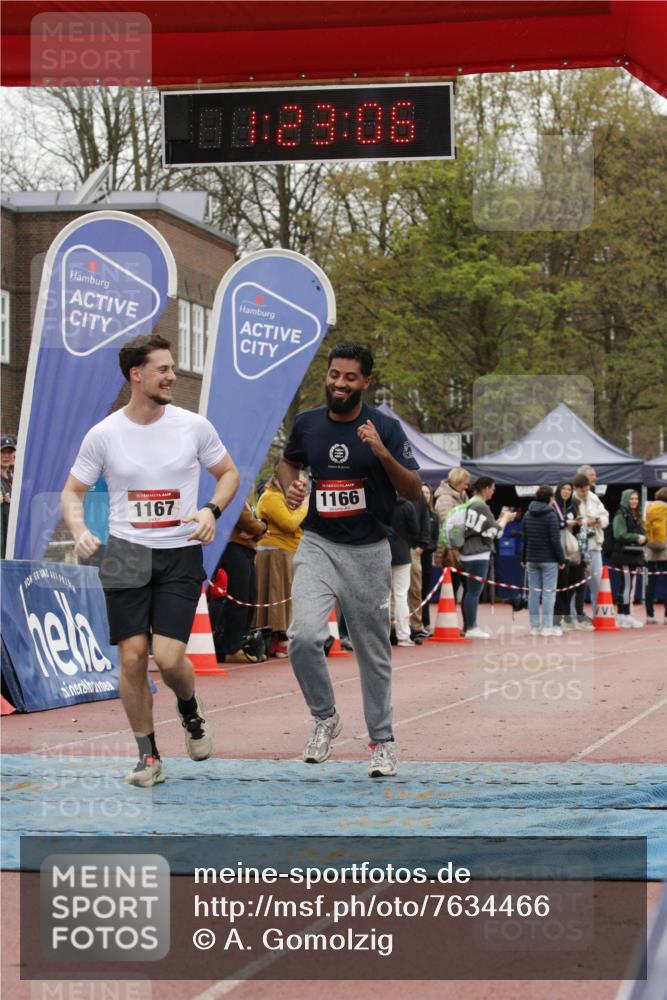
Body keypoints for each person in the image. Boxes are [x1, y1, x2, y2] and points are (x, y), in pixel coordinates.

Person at [61, 334, 239, 787]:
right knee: (133, 658)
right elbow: (72, 491)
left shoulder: (193, 426)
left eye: (173, 368)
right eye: (163, 369)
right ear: (135, 375)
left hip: (179, 551)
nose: (172, 376)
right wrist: (81, 531)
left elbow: (228, 474)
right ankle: (149, 757)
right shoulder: (104, 434)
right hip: (125, 553)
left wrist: (210, 509)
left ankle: (189, 708)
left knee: (169, 655)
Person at [277, 342, 421, 778]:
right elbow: (287, 464)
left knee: (372, 652)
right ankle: (325, 718)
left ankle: (383, 741)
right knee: (302, 636)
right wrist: (291, 487)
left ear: (366, 382)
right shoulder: (307, 424)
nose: (339, 384)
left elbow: (414, 490)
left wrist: (381, 451)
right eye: (334, 375)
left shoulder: (385, 427)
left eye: (350, 378)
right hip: (319, 544)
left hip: (370, 552)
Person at [253, 470, 308, 657]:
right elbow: (290, 523)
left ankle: (279, 637)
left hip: (289, 550)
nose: (300, 489)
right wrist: (305, 506)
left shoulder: (286, 498)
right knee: (277, 594)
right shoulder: (271, 497)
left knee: (285, 594)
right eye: (296, 484)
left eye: (303, 486)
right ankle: (276, 639)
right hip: (275, 552)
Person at [209, 499, 268, 663]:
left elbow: (252, 529)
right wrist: (263, 525)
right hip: (232, 549)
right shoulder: (234, 494)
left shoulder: (246, 499)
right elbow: (250, 524)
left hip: (246, 549)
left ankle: (238, 643)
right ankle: (228, 648)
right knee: (237, 600)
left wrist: (257, 530)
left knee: (249, 598)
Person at [459, 477, 516, 638]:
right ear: (485, 489)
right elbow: (496, 533)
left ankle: (468, 626)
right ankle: (471, 627)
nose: (493, 492)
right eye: (492, 489)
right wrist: (505, 519)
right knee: (474, 592)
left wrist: (499, 520)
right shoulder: (481, 506)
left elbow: (485, 529)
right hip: (478, 553)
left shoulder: (470, 503)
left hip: (467, 552)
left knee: (469, 592)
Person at [522, 485, 566, 636]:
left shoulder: (527, 514)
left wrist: (523, 557)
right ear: (550, 498)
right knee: (548, 593)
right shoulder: (551, 515)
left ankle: (534, 626)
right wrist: (561, 559)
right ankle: (547, 627)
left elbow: (525, 539)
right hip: (549, 560)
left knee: (533, 593)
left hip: (532, 559)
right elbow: (555, 540)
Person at [572, 472, 609, 615]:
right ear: (576, 488)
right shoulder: (571, 500)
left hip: (595, 545)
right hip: (577, 547)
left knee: (597, 583)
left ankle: (598, 614)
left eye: (587, 489)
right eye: (582, 490)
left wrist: (599, 521)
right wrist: (587, 522)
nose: (585, 493)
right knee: (577, 584)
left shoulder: (594, 498)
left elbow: (605, 516)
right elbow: (572, 521)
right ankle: (573, 617)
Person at [389, 494, 421, 647]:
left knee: (383, 597)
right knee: (401, 595)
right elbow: (415, 530)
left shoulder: (377, 501)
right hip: (402, 553)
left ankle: (382, 635)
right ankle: (403, 636)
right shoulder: (407, 505)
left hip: (380, 552)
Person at [611, 489, 646, 628]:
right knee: (625, 585)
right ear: (625, 499)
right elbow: (619, 534)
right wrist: (637, 537)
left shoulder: (635, 515)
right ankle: (622, 615)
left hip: (633, 555)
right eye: (631, 498)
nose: (634, 501)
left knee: (629, 585)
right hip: (623, 555)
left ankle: (626, 615)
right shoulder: (620, 515)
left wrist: (644, 537)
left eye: (636, 498)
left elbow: (643, 532)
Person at [416, 484, 439, 635]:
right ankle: (416, 623)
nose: (425, 495)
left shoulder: (433, 515)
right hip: (415, 553)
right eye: (422, 492)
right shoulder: (414, 511)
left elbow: (435, 536)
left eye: (427, 493)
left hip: (427, 555)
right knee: (414, 590)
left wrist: (428, 547)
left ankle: (427, 623)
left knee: (426, 590)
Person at [645, 487, 667, 624]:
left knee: (650, 584)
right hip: (665, 552)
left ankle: (649, 615)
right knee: (666, 584)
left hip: (650, 553)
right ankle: (666, 616)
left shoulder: (649, 509)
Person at [1, 435, 16, 559]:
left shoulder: (14, 480)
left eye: (9, 452)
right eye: (2, 452)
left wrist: (12, 503)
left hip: (10, 546)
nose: (6, 456)